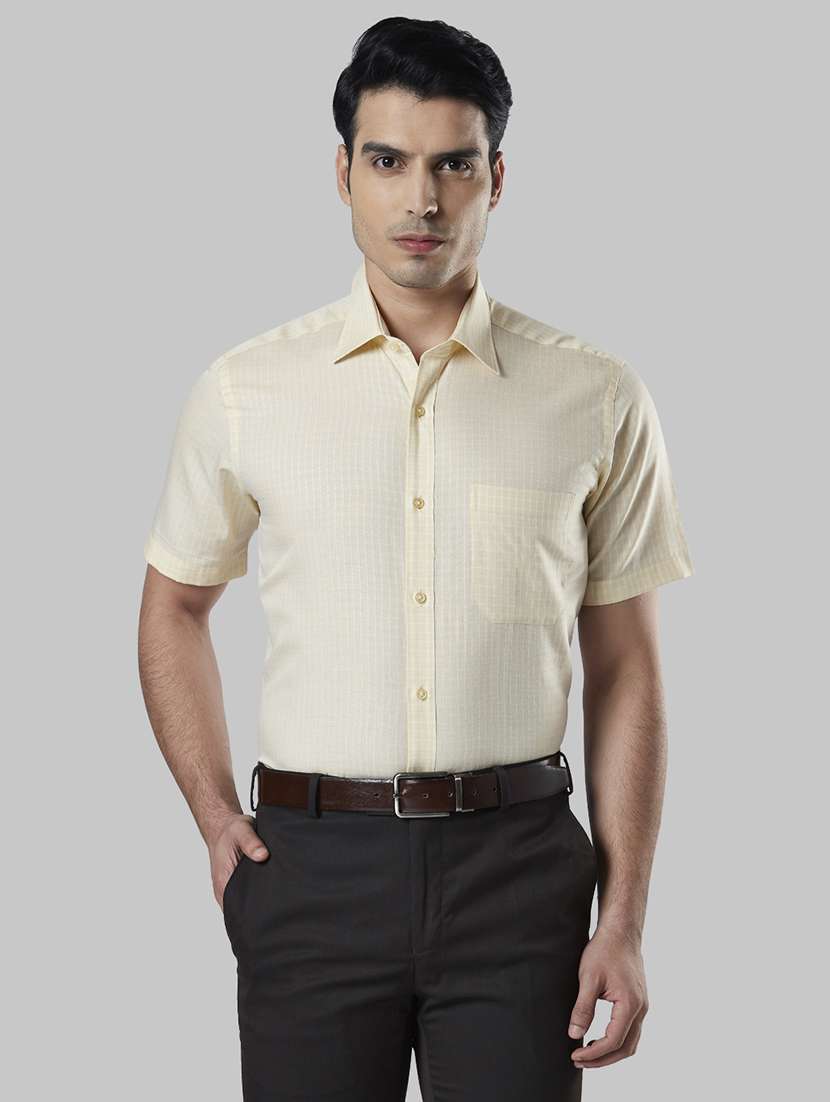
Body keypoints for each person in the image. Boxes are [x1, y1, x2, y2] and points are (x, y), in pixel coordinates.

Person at [138, 16, 694, 1101]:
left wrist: (624, 918)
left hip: (519, 875)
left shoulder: (594, 396)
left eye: (454, 165)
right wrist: (213, 816)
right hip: (310, 872)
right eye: (389, 162)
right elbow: (173, 607)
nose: (422, 200)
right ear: (343, 173)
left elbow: (627, 664)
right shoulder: (247, 391)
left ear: (498, 178)